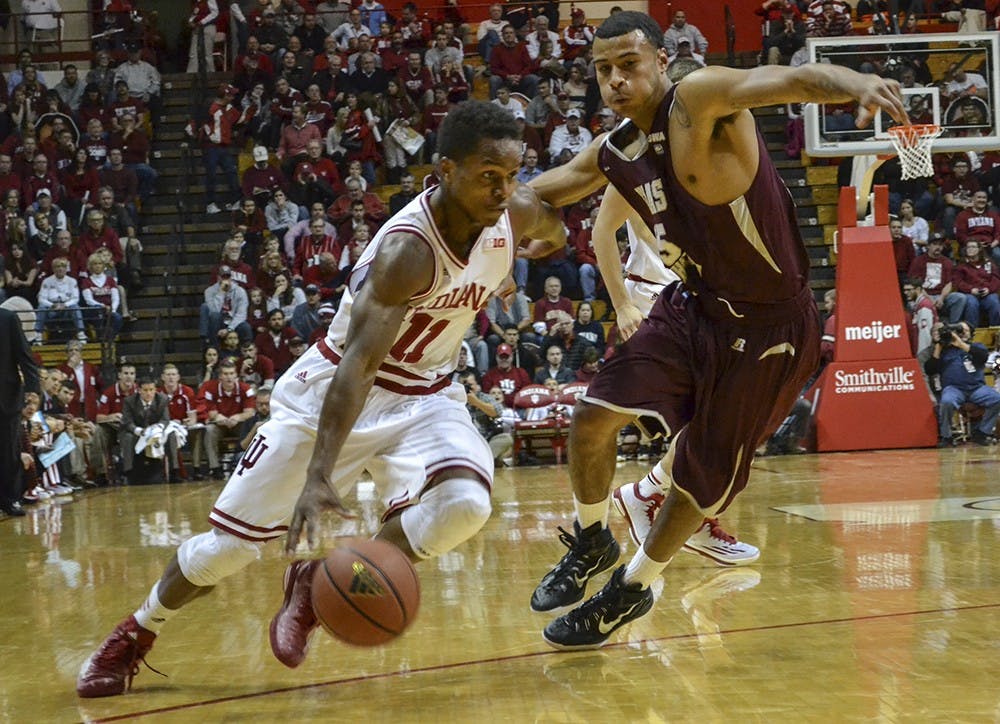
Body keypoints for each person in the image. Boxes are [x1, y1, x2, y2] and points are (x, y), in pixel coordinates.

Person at [76, 100, 566, 697]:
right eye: (489, 174)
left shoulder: (511, 212)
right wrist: (317, 476)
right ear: (443, 170)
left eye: (512, 174)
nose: (503, 188)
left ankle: (314, 584)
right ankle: (137, 632)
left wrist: (531, 251)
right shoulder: (406, 252)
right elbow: (359, 368)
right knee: (225, 551)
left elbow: (558, 216)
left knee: (466, 504)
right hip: (333, 393)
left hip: (427, 397)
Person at [524, 11, 906, 649]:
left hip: (770, 327)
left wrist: (855, 83)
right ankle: (592, 539)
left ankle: (637, 583)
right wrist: (475, 216)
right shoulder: (616, 148)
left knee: (698, 479)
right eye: (603, 70)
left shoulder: (697, 101)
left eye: (629, 64)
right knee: (590, 417)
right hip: (693, 306)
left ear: (661, 62)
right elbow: (541, 194)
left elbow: (787, 78)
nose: (616, 80)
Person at [926, 321, 1000, 446]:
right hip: (954, 389)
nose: (962, 333)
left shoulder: (977, 346)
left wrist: (961, 344)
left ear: (970, 334)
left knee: (997, 399)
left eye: (965, 331)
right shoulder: (945, 351)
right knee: (947, 402)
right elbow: (930, 369)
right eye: (960, 331)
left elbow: (982, 356)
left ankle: (982, 432)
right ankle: (946, 436)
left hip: (976, 388)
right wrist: (940, 345)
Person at [1, 305, 40, 516]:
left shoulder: (8, 319)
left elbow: (25, 356)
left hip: (6, 395)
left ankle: (11, 499)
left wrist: (33, 390)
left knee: (9, 451)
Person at [119, 376, 177, 484]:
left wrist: (158, 428)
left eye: (151, 390)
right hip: (137, 430)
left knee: (172, 435)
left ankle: (174, 472)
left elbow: (165, 419)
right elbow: (127, 422)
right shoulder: (129, 401)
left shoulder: (162, 399)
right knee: (127, 438)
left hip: (156, 430)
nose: (149, 393)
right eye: (145, 390)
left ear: (155, 390)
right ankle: (128, 472)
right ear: (139, 390)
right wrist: (138, 430)